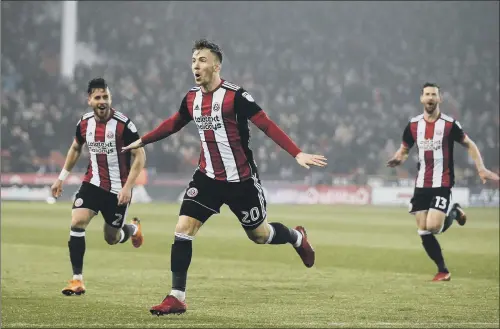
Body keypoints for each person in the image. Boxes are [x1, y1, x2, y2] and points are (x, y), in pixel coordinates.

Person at [122, 39, 327, 315]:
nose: (196, 65)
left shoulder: (235, 96)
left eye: (202, 60)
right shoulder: (191, 98)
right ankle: (177, 297)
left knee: (260, 235)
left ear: (217, 65)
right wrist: (143, 140)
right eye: (193, 59)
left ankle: (296, 238)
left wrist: (296, 153)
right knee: (183, 228)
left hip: (241, 181)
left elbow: (265, 123)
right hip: (207, 178)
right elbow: (173, 123)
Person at [387, 82, 499, 281]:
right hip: (421, 184)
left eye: (434, 95)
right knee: (422, 229)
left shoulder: (449, 125)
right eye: (427, 94)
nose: (430, 98)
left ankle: (453, 211)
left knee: (433, 227)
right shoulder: (413, 125)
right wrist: (398, 159)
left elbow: (469, 144)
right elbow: (404, 150)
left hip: (442, 181)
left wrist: (481, 168)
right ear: (421, 98)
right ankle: (443, 270)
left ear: (440, 99)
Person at [51, 78, 147, 295]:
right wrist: (61, 178)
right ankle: (77, 280)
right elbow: (76, 148)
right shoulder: (84, 123)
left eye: (105, 97)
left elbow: (139, 155)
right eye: (97, 97)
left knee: (111, 238)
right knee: (77, 222)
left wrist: (128, 187)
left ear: (110, 98)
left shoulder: (124, 124)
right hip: (92, 183)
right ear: (89, 100)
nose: (102, 101)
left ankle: (132, 229)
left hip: (118, 190)